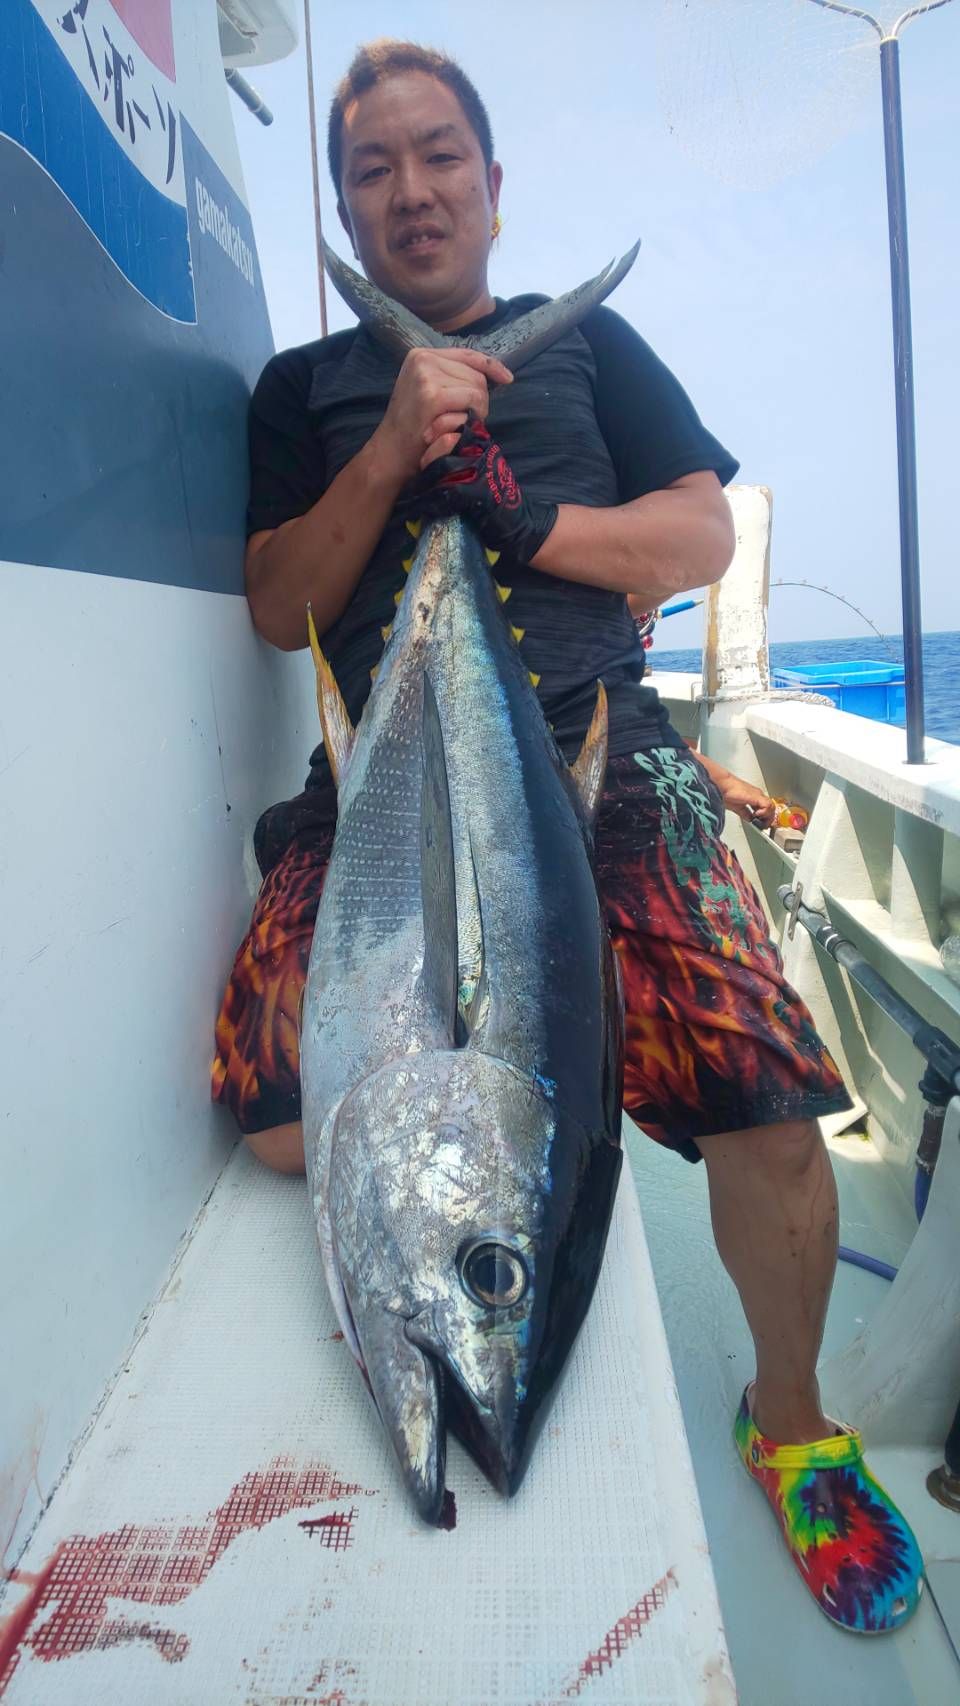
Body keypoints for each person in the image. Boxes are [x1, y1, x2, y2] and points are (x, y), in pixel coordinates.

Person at [212, 40, 922, 1633]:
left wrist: (523, 518)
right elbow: (277, 603)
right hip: (384, 786)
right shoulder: (301, 392)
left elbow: (700, 530)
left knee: (769, 1109)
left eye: (437, 158)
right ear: (346, 207)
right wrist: (396, 446)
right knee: (267, 1113)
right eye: (373, 170)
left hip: (608, 758)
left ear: (492, 181)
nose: (411, 192)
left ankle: (793, 1425)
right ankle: (558, 1070)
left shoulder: (594, 348)